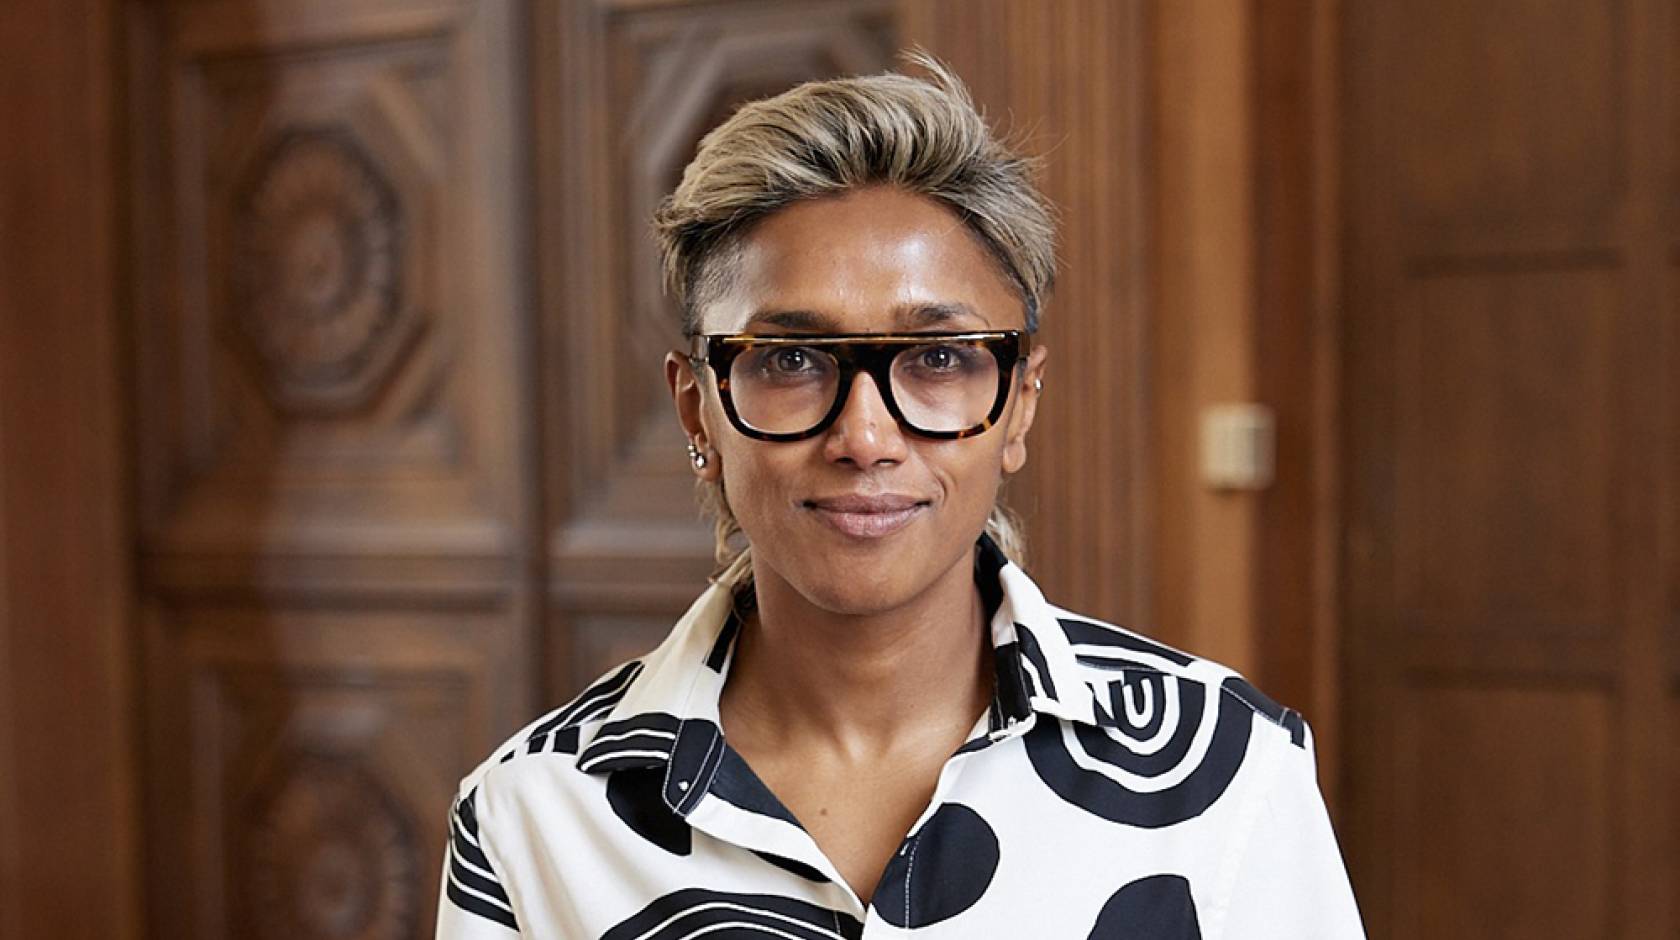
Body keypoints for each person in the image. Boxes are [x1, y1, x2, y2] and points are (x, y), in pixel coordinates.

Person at [436, 55, 1365, 938]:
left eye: (938, 359)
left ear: (1019, 404)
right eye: (793, 360)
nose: (866, 439)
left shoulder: (1233, 776)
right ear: (698, 410)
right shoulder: (534, 819)